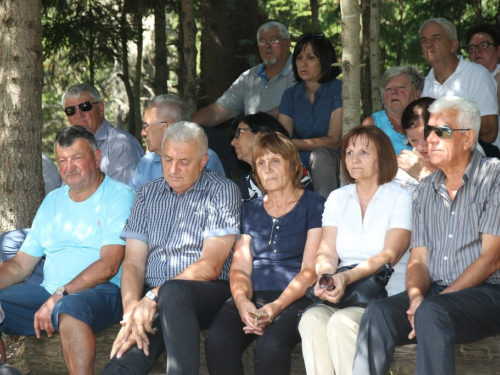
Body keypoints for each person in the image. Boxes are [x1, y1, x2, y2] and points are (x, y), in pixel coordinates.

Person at [352, 96, 500, 375]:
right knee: (378, 314)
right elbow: (418, 259)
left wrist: (434, 301)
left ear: (468, 139)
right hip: (436, 294)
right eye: (428, 131)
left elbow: (492, 259)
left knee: (433, 312)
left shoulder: (494, 177)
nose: (430, 139)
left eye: (441, 132)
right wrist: (416, 295)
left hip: (489, 294)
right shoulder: (425, 189)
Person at [103, 122, 242, 375]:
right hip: (153, 299)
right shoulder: (146, 195)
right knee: (123, 362)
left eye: (184, 161)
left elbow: (211, 265)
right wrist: (132, 310)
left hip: (206, 293)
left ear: (203, 161)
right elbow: (133, 262)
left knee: (174, 292)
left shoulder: (222, 191)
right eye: (167, 159)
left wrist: (154, 295)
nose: (174, 169)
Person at [0, 126, 134, 374]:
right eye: (62, 160)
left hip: (102, 292)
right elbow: (20, 265)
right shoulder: (53, 201)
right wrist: (56, 295)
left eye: (77, 158)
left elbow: (109, 265)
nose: (68, 167)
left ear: (96, 157)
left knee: (70, 308)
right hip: (49, 293)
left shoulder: (119, 196)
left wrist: (62, 294)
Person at [205, 133, 325, 375]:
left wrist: (276, 307)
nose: (267, 169)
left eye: (275, 161)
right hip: (254, 294)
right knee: (217, 340)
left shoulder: (315, 204)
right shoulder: (250, 210)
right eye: (261, 163)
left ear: (293, 167)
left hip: (297, 297)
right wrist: (242, 303)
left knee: (269, 348)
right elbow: (240, 268)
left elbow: (310, 270)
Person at [298, 126, 412, 375]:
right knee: (311, 319)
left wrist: (345, 277)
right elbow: (326, 252)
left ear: (382, 157)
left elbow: (389, 256)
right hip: (346, 291)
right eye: (349, 152)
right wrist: (326, 278)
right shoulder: (337, 198)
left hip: (387, 294)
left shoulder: (401, 197)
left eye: (363, 153)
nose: (354, 159)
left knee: (342, 322)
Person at [191, 21, 295, 177]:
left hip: (281, 145)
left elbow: (294, 107)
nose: (267, 45)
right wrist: (184, 126)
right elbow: (217, 111)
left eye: (273, 40)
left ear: (288, 43)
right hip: (247, 145)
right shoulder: (249, 77)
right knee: (201, 134)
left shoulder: (300, 71)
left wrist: (255, 122)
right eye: (262, 41)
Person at [419, 18, 499, 156]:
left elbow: (490, 132)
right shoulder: (424, 84)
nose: (429, 44)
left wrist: (446, 131)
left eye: (436, 38)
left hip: (480, 163)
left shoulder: (477, 75)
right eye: (424, 40)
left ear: (453, 45)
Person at [278, 33, 342, 198]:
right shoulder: (290, 95)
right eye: (299, 58)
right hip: (299, 162)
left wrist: (290, 143)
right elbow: (281, 139)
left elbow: (333, 141)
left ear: (325, 60)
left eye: (311, 57)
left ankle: (327, 217)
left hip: (333, 160)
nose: (303, 63)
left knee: (319, 156)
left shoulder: (339, 89)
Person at [128, 94, 225, 191]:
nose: (143, 133)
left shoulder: (204, 158)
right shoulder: (146, 163)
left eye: (147, 126)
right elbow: (131, 201)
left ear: (168, 127)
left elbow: (193, 203)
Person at [62, 83, 144, 184]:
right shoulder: (68, 149)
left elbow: (121, 195)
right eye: (71, 110)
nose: (79, 114)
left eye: (85, 106)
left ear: (100, 108)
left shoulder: (121, 144)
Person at [230, 112, 312, 203]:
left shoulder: (292, 168)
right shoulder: (242, 186)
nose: (233, 142)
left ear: (260, 134)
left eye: (239, 133)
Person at [362, 65, 424, 155]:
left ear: (417, 94)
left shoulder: (427, 121)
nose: (394, 92)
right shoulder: (372, 124)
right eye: (388, 89)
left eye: (401, 87)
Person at [465, 23, 500, 150]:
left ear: (498, 51)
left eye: (484, 45)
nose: (477, 51)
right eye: (472, 48)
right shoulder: (469, 79)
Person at [394, 97, 438, 190]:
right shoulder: (404, 168)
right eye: (413, 140)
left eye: (426, 137)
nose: (420, 147)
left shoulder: (460, 165)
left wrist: (421, 172)